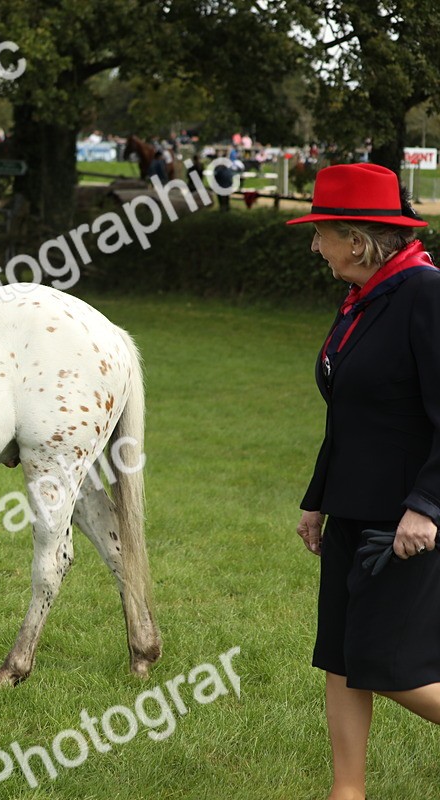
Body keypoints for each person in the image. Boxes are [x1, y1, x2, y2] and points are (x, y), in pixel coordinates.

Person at [290, 163, 440, 800]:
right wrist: (316, 502)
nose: (315, 246)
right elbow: (347, 412)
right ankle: (346, 792)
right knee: (343, 658)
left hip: (404, 517)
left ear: (356, 238)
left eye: (321, 232)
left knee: (384, 664)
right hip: (352, 506)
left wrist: (427, 506)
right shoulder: (361, 298)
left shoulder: (425, 292)